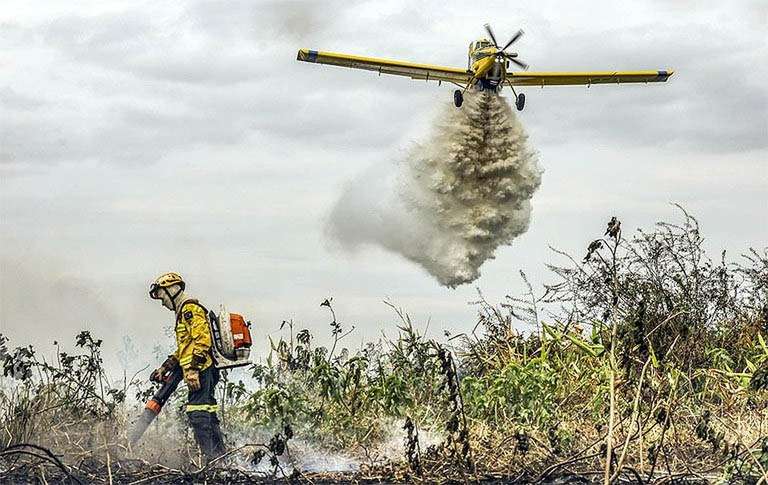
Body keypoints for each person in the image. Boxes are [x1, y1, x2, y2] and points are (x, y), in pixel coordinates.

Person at [148, 272, 225, 461]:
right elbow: (185, 349)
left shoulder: (190, 310)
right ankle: (221, 460)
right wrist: (165, 367)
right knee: (207, 414)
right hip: (200, 370)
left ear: (172, 290)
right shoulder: (183, 312)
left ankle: (212, 463)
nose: (163, 303)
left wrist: (192, 370)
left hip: (202, 370)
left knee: (198, 414)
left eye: (163, 297)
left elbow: (203, 341)